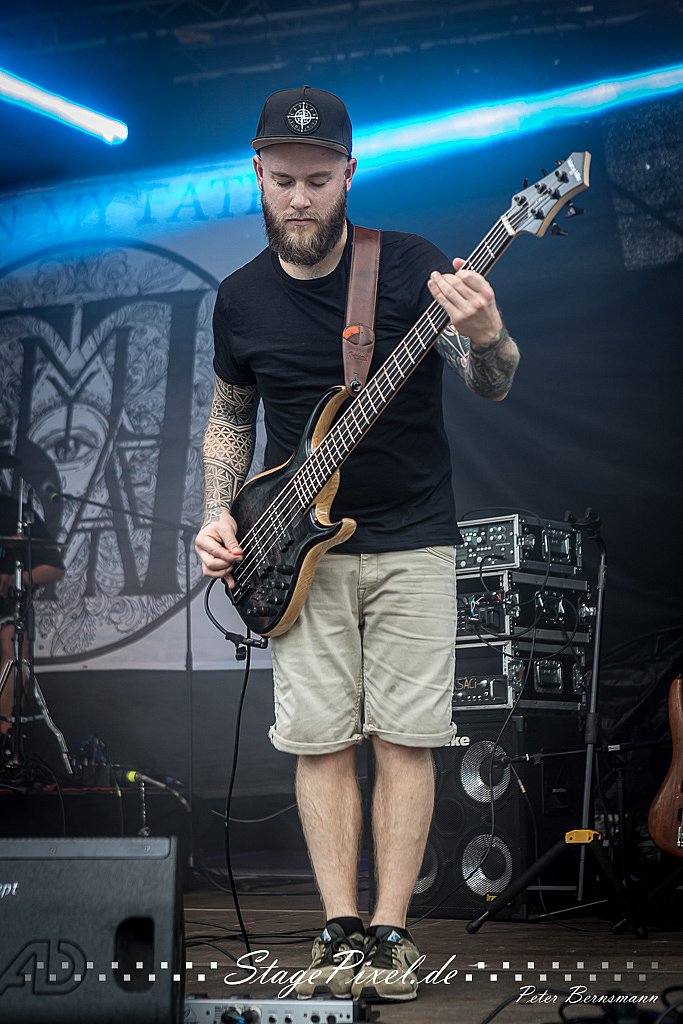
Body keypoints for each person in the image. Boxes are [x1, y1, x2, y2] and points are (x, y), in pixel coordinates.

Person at [195, 86, 520, 1003]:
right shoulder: (239, 298)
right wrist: (217, 512)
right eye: (282, 179)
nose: (299, 197)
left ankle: (391, 934)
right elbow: (230, 415)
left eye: (317, 179)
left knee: (406, 739)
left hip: (413, 536)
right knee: (320, 741)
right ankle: (338, 929)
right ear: (257, 175)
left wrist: (488, 334)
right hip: (292, 553)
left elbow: (491, 382)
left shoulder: (409, 265)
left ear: (348, 175)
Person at [0, 492, 65, 738]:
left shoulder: (14, 511)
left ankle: (6, 735)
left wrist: (15, 579)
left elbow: (54, 569)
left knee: (13, 643)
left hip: (6, 611)